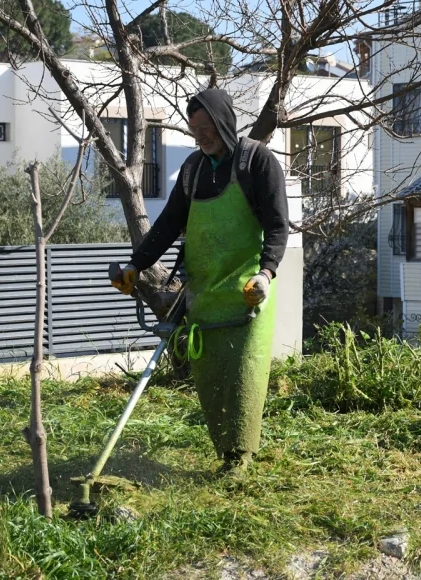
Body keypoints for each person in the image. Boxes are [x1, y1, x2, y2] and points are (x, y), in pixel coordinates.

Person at [110, 88, 289, 476]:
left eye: (206, 128)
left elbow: (277, 225)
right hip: (204, 293)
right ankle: (225, 453)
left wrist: (266, 273)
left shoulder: (256, 162)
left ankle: (240, 457)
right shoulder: (193, 170)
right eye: (195, 130)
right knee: (210, 381)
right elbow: (168, 224)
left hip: (247, 294)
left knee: (242, 376)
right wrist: (136, 265)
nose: (201, 136)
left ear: (224, 121)